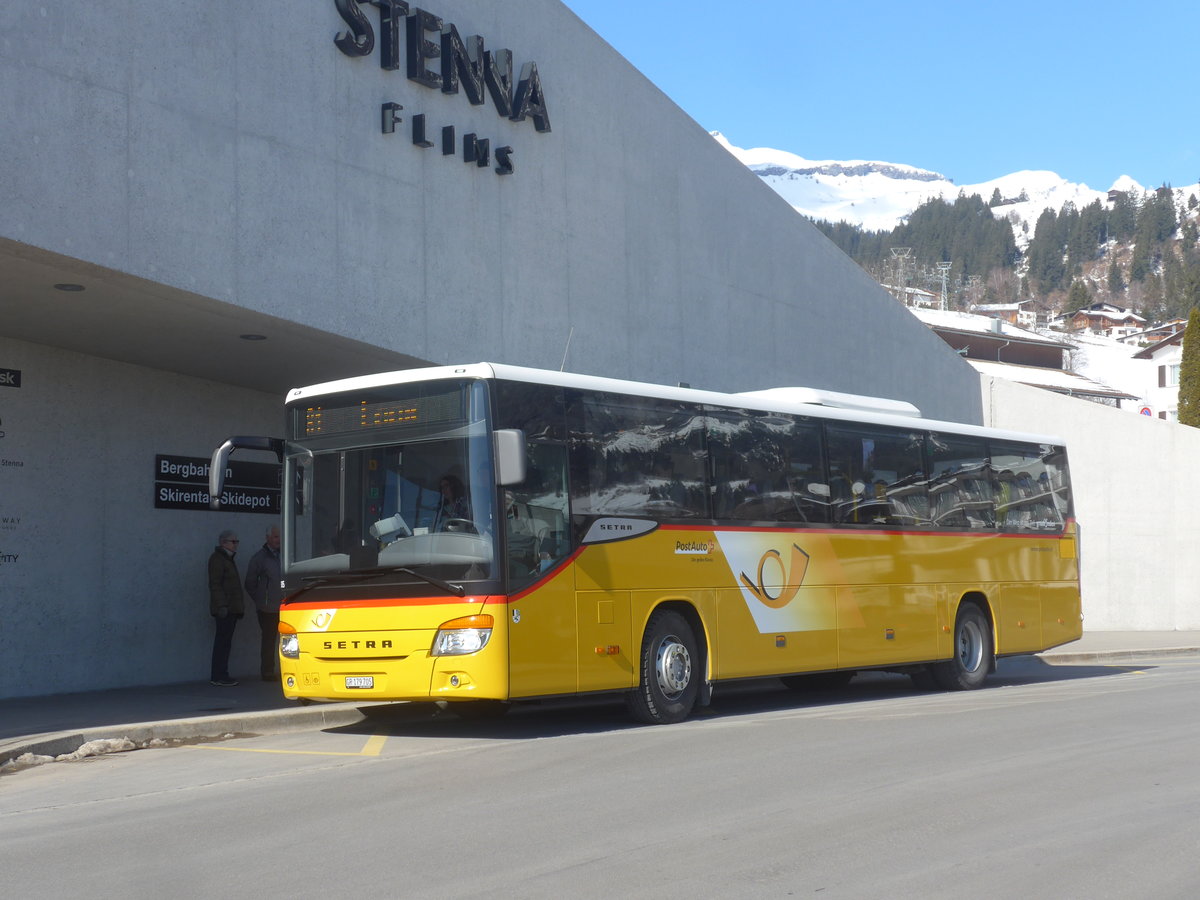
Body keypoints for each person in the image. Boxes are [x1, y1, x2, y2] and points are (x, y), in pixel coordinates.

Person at [244, 524, 283, 681]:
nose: (278, 540)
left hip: (285, 606)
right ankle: (267, 672)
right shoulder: (259, 558)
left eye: (279, 536)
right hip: (267, 609)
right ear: (267, 538)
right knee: (268, 640)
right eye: (275, 537)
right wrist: (261, 599)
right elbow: (250, 583)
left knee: (288, 641)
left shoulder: (285, 555)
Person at [208, 529, 245, 686]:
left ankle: (221, 674)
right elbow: (215, 584)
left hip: (231, 608)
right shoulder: (218, 559)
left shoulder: (228, 559)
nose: (236, 545)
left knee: (226, 642)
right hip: (225, 609)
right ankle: (219, 675)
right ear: (223, 543)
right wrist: (222, 605)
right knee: (222, 642)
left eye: (237, 541)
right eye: (233, 541)